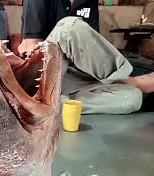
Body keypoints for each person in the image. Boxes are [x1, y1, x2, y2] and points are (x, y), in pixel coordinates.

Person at [19, 0, 152, 114]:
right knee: (69, 27)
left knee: (132, 98)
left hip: (68, 78)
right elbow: (31, 48)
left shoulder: (89, 1)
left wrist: (79, 54)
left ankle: (48, 105)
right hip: (41, 77)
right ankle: (127, 79)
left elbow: (90, 47)